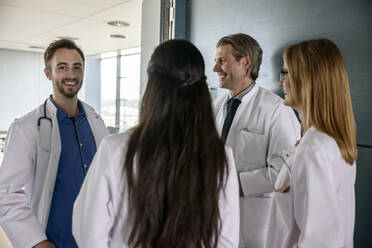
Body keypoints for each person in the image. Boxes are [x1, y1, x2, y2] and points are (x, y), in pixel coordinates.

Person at [72, 39, 240, 248]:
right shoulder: (220, 156)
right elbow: (226, 240)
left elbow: (90, 235)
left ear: (150, 79)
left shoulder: (116, 149)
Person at [0, 39, 108, 248]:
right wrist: (37, 242)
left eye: (77, 67)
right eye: (62, 67)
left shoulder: (96, 122)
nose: (71, 74)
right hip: (53, 241)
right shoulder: (27, 127)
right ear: (48, 74)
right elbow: (5, 192)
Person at [265, 38, 357, 248]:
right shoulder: (330, 141)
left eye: (285, 73)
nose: (281, 83)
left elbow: (320, 242)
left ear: (306, 79)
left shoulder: (313, 149)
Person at [213, 33, 301, 247]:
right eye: (215, 61)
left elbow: (283, 172)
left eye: (222, 61)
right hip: (215, 219)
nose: (215, 68)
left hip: (253, 225)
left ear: (245, 63)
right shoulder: (215, 106)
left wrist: (230, 185)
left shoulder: (277, 110)